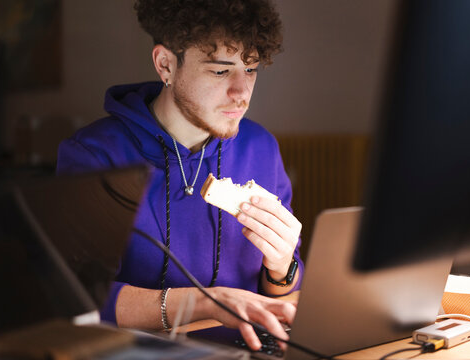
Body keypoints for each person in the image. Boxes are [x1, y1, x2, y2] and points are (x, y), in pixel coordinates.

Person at [57, 0, 303, 351]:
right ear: (166, 64)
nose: (242, 93)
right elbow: (76, 299)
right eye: (220, 71)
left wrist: (282, 267)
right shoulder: (94, 155)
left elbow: (282, 294)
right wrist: (203, 302)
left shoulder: (261, 146)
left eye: (250, 70)